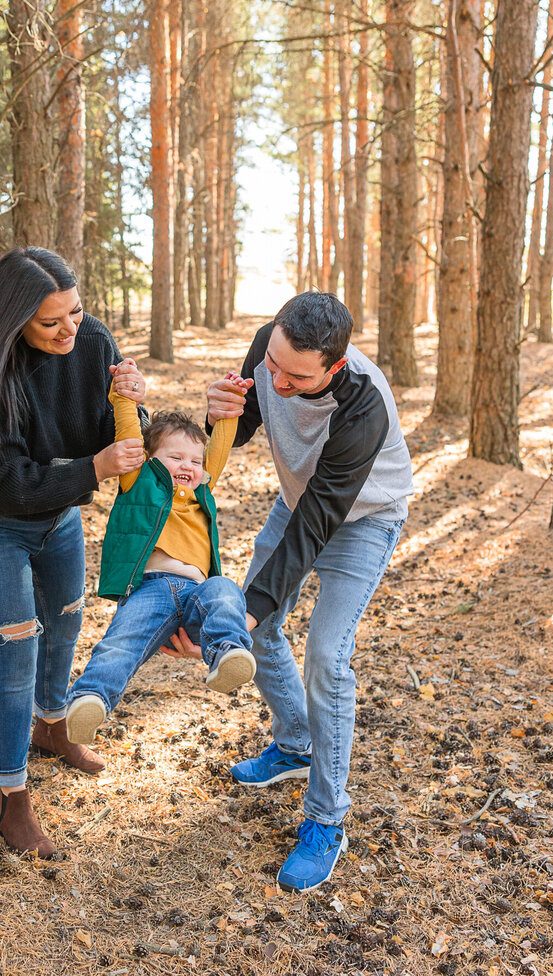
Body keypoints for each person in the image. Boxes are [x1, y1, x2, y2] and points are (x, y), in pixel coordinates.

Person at [0, 247, 146, 859]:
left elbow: (121, 438)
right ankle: (11, 798)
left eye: (75, 313)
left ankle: (51, 726)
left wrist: (134, 401)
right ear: (15, 321)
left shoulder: (92, 341)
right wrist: (94, 468)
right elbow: (7, 485)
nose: (69, 330)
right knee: (17, 646)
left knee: (65, 620)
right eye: (51, 322)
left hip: (56, 512)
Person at [201, 291, 413, 892]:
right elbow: (238, 430)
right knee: (262, 627)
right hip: (298, 503)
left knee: (326, 656)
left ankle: (326, 819)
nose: (277, 379)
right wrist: (219, 412)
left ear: (333, 367)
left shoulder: (363, 403)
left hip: (363, 519)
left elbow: (320, 518)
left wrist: (246, 607)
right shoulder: (274, 346)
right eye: (273, 365)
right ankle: (295, 744)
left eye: (295, 376)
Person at [65, 366, 256, 745]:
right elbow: (130, 435)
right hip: (150, 590)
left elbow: (216, 449)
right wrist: (125, 400)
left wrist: (230, 411)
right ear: (151, 459)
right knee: (121, 643)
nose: (187, 466)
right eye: (175, 457)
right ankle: (89, 699)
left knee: (226, 590)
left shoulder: (202, 487)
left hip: (200, 594)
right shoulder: (139, 480)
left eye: (193, 461)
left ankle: (228, 652)